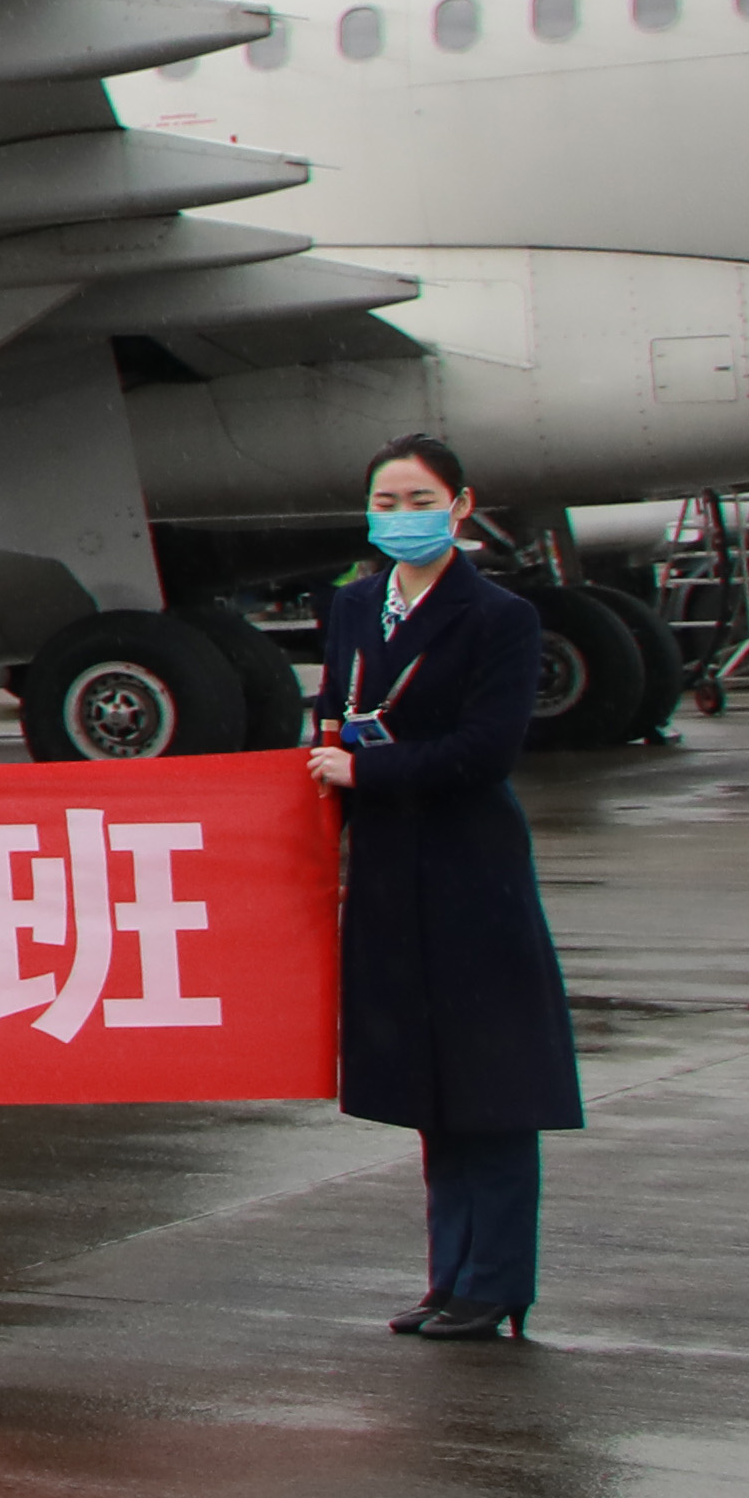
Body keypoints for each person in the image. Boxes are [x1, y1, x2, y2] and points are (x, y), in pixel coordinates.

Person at [309, 431, 582, 1341]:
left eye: (419, 499)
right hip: (390, 870)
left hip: (471, 868)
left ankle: (498, 1278)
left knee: (493, 1082)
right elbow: (332, 716)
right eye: (384, 502)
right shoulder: (352, 607)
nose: (400, 517)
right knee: (430, 1084)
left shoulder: (498, 615)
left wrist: (366, 775)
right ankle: (449, 1274)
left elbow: (487, 749)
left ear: (461, 507)